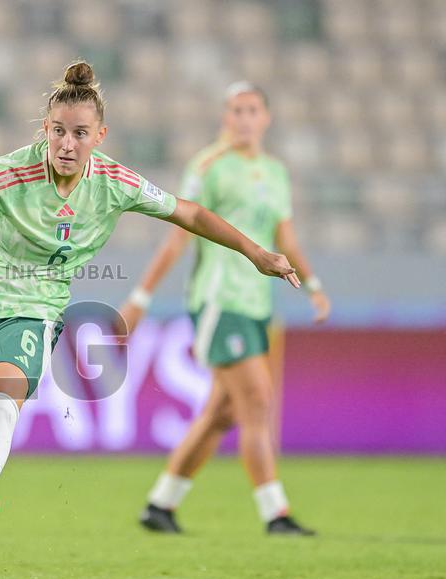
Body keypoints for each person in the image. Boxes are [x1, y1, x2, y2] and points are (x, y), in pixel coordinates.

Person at [0, 63, 300, 579]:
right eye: (58, 131)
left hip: (30, 312)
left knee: (4, 389)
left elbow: (188, 213)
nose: (67, 144)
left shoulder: (115, 184)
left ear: (100, 136)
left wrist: (256, 252)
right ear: (44, 130)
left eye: (80, 133)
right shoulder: (7, 174)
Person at [121, 81, 330, 537]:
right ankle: (276, 513)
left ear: (266, 117)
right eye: (236, 110)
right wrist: (141, 297)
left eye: (253, 109)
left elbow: (285, 237)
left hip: (257, 302)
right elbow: (178, 232)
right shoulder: (208, 165)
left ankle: (161, 504)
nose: (244, 118)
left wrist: (312, 286)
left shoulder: (276, 172)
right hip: (219, 300)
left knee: (223, 411)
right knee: (256, 399)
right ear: (225, 117)